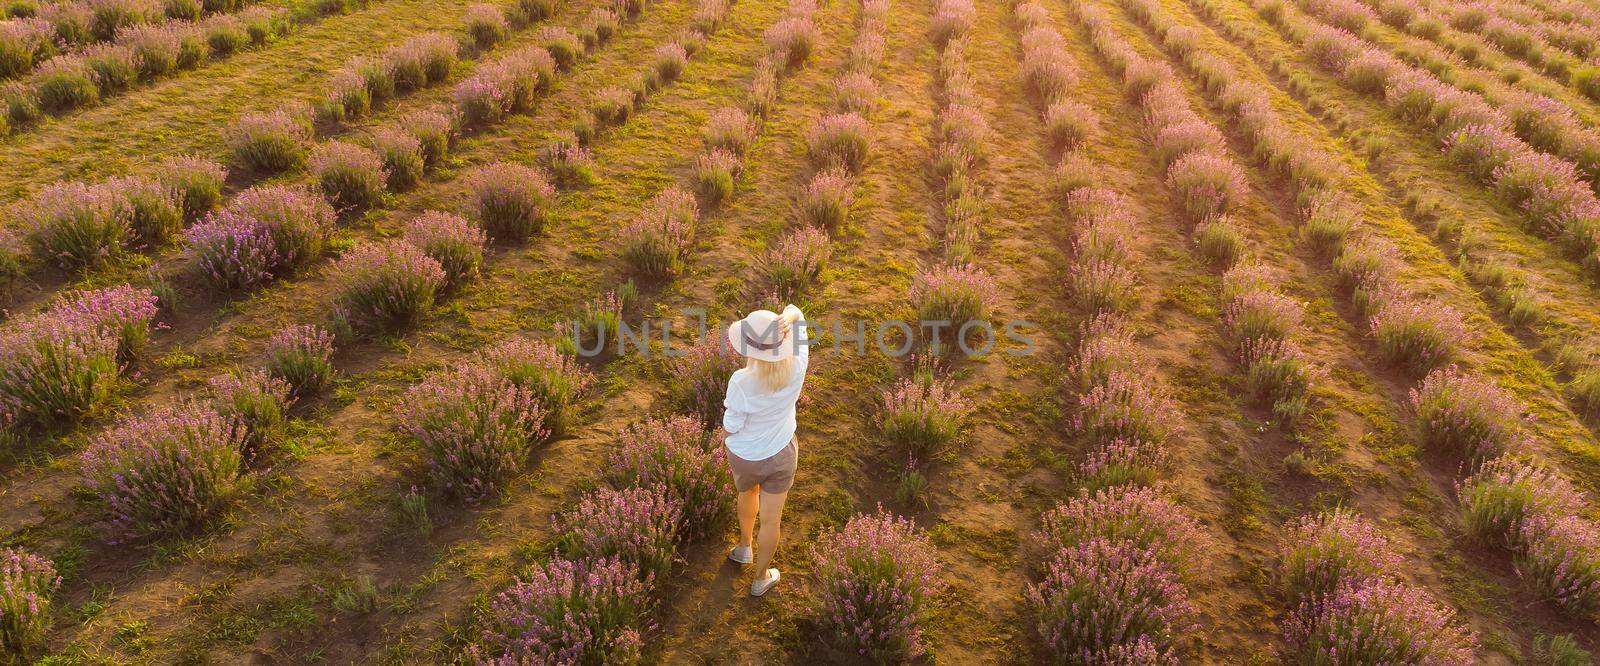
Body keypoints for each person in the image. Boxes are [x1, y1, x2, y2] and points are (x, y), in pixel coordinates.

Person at [721, 304, 809, 596]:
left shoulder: (741, 381)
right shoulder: (797, 364)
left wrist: (727, 433)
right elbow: (798, 314)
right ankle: (761, 578)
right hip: (782, 453)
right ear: (782, 341)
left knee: (747, 494)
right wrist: (790, 318)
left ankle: (744, 547)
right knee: (772, 520)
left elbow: (732, 424)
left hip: (745, 456)